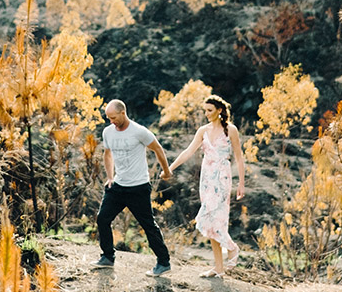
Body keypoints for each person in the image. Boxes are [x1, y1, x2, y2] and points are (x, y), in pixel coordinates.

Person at [93, 99, 173, 277]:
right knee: (102, 219)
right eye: (108, 118)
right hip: (118, 186)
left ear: (123, 113)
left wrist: (166, 171)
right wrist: (110, 177)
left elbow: (158, 149)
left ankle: (163, 262)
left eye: (113, 117)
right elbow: (107, 154)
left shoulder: (139, 132)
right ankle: (107, 257)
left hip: (138, 187)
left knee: (148, 225)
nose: (111, 121)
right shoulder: (108, 132)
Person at [168, 95, 245, 278]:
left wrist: (241, 183)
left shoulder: (231, 130)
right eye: (205, 110)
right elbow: (188, 151)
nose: (206, 114)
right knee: (211, 221)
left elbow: (239, 158)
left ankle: (232, 248)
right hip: (207, 177)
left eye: (210, 110)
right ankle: (218, 267)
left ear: (219, 110)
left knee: (216, 217)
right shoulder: (202, 131)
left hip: (222, 176)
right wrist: (170, 167)